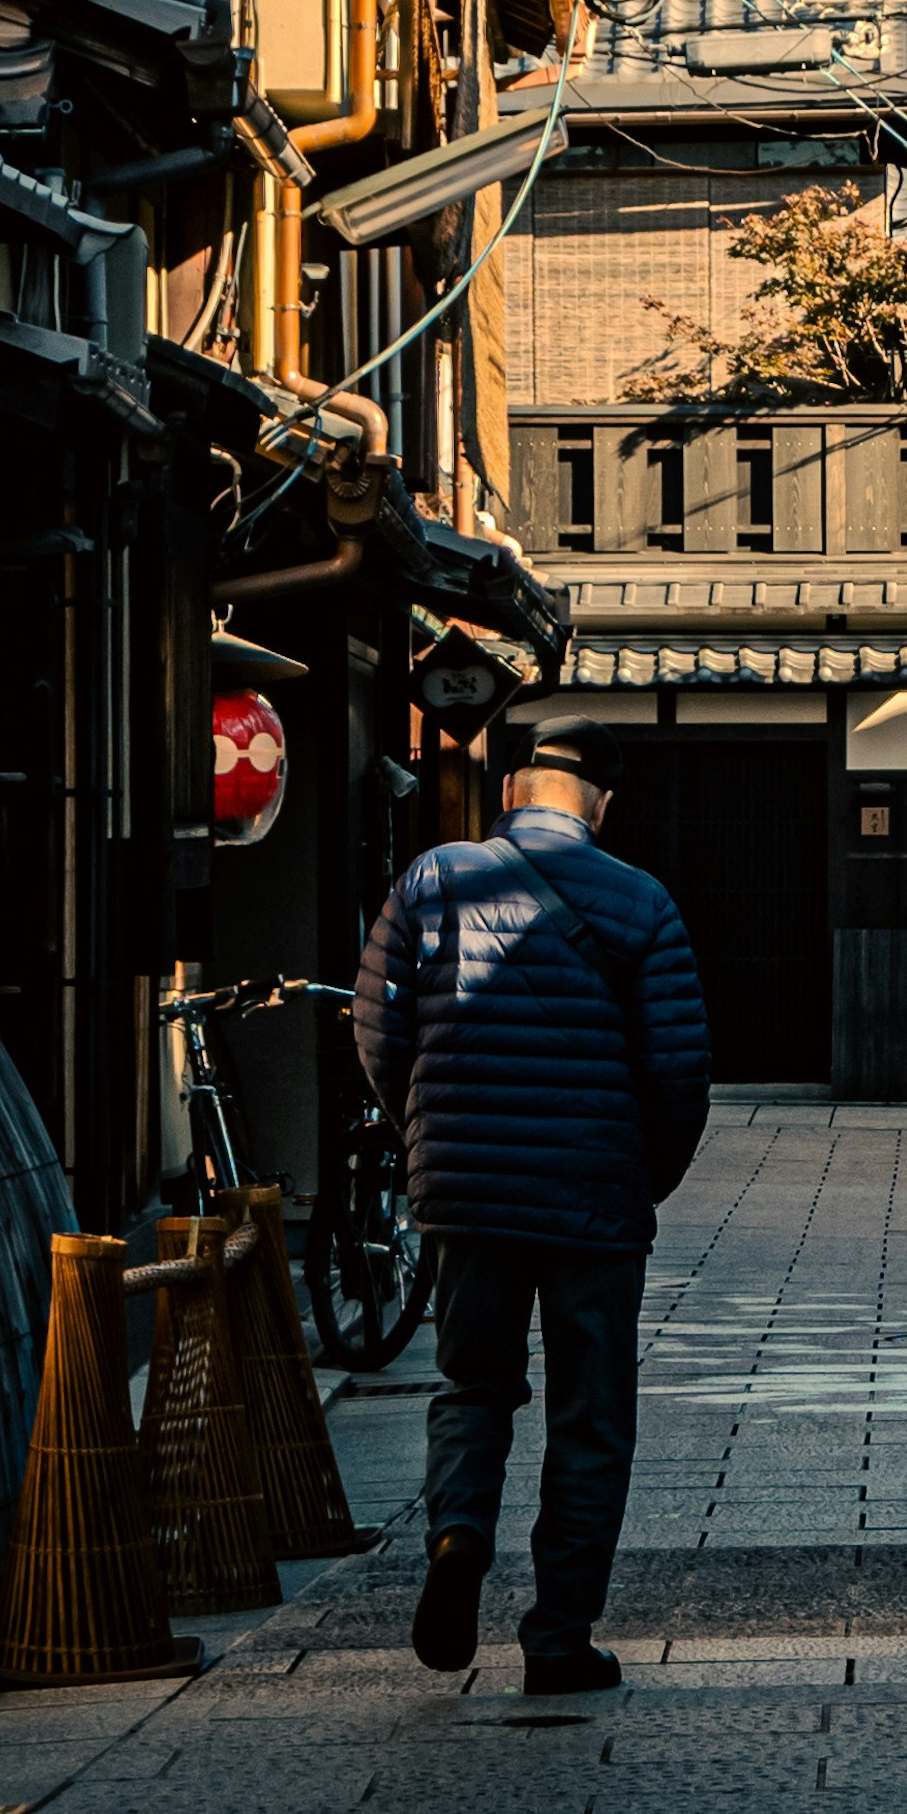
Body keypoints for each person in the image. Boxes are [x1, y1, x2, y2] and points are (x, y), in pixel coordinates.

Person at [352, 723, 710, 1698]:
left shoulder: (433, 880)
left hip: (466, 1193)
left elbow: (380, 1028)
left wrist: (427, 1136)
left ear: (511, 789)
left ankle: (459, 1533)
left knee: (473, 1385)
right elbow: (678, 1072)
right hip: (594, 1197)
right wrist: (648, 1178)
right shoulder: (641, 902)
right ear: (599, 802)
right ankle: (558, 1638)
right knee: (590, 1417)